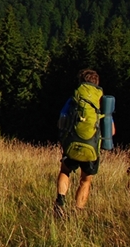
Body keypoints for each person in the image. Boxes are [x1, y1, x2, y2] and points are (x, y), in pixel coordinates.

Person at [54, 69, 114, 216]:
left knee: (65, 171)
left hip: (72, 144)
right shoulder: (102, 102)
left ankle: (60, 202)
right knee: (85, 180)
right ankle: (77, 213)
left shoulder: (74, 99)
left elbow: (61, 121)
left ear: (81, 82)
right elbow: (111, 131)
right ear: (97, 83)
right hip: (92, 147)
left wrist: (64, 137)